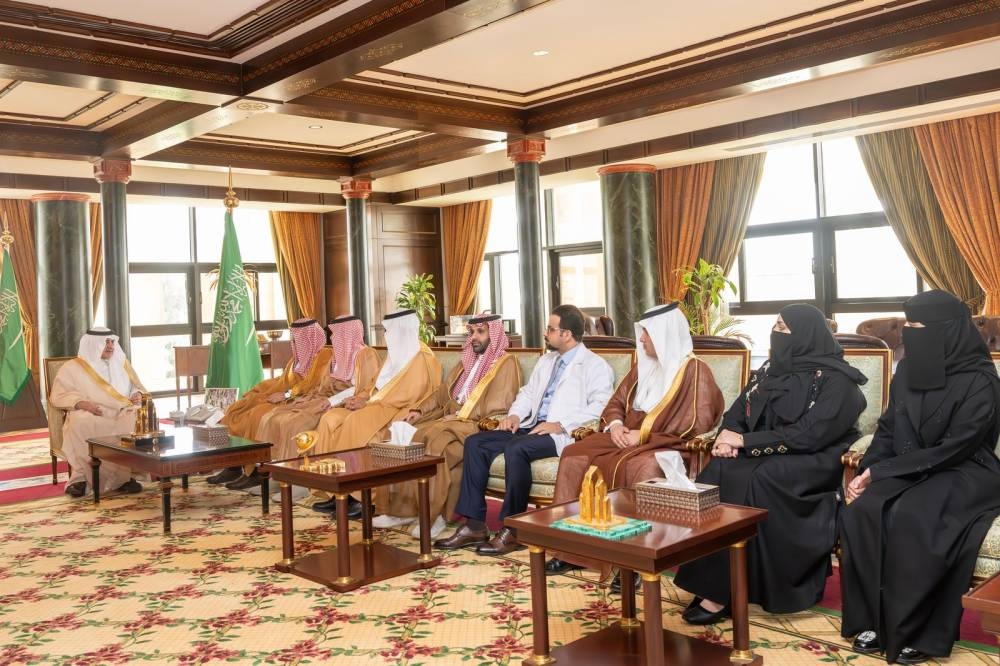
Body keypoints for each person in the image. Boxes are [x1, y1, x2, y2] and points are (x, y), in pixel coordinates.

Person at [674, 303, 867, 624]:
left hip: (814, 458)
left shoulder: (839, 382)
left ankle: (740, 588)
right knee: (717, 470)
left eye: (783, 328)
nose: (776, 333)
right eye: (775, 326)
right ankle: (717, 582)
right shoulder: (770, 371)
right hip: (767, 450)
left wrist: (745, 442)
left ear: (805, 335)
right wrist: (726, 437)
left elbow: (810, 434)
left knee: (760, 479)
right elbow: (737, 411)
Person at [840, 290, 1000, 665]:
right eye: (907, 324)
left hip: (966, 469)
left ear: (946, 330)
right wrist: (866, 473)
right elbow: (887, 431)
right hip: (909, 464)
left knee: (915, 514)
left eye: (917, 325)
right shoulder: (907, 372)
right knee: (862, 511)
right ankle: (874, 619)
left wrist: (882, 471)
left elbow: (958, 447)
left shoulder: (981, 380)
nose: (909, 333)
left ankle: (919, 629)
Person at [545, 302, 725, 576]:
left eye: (647, 334)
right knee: (573, 454)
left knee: (641, 467)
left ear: (664, 334)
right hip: (625, 437)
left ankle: (634, 562)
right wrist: (616, 426)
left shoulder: (695, 370)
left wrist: (642, 435)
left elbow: (696, 423)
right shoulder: (644, 366)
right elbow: (616, 402)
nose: (641, 339)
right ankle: (571, 550)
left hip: (667, 443)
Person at [434, 304, 615, 556]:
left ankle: (514, 530)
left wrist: (561, 425)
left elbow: (600, 406)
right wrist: (515, 415)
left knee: (516, 449)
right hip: (530, 426)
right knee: (476, 443)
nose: (545, 333)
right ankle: (474, 526)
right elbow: (527, 393)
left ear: (566, 334)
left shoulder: (595, 366)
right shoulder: (547, 361)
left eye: (551, 329)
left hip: (561, 434)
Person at [372, 314, 521, 539]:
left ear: (494, 334)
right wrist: (419, 410)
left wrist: (460, 414)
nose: (474, 337)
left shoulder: (506, 363)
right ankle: (403, 510)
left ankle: (435, 516)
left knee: (437, 443)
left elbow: (499, 404)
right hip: (450, 419)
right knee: (405, 435)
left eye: (481, 332)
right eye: (472, 332)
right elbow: (442, 392)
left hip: (476, 424)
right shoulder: (465, 363)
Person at [216, 318, 332, 490]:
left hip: (301, 400)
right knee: (238, 409)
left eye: (298, 339)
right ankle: (233, 465)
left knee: (256, 415)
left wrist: (286, 394)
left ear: (310, 337)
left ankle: (256, 471)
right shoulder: (297, 359)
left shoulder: (324, 357)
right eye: (294, 339)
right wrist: (261, 390)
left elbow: (314, 386)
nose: (295, 343)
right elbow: (283, 380)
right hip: (284, 396)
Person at [314, 309, 441, 454]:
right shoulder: (394, 354)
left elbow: (409, 395)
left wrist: (367, 403)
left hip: (396, 409)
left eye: (387, 330)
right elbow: (373, 384)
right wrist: (359, 398)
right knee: (328, 419)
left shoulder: (423, 358)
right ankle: (323, 465)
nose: (385, 335)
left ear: (400, 330)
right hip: (377, 404)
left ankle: (345, 467)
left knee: (355, 421)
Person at [254, 315, 381, 461]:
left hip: (340, 402)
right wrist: (304, 397)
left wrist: (331, 401)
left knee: (294, 424)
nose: (332, 338)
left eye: (336, 334)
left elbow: (363, 388)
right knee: (273, 416)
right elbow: (321, 384)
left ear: (348, 334)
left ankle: (292, 468)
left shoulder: (366, 354)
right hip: (323, 398)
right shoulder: (336, 356)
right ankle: (267, 466)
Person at [49, 328, 146, 497]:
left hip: (121, 410)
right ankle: (80, 479)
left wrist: (137, 394)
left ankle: (124, 477)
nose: (110, 346)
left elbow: (136, 387)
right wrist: (81, 403)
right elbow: (58, 395)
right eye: (106, 342)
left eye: (112, 342)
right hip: (91, 411)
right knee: (80, 422)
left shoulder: (121, 363)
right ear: (93, 344)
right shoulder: (73, 367)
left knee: (137, 418)